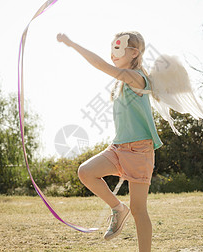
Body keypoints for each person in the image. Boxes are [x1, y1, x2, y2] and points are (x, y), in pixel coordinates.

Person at [57, 31, 162, 252]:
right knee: (86, 172)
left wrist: (72, 43)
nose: (112, 53)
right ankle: (117, 208)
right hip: (118, 147)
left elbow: (99, 65)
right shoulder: (121, 83)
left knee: (139, 210)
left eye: (118, 48)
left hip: (140, 150)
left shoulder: (136, 77)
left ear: (134, 52)